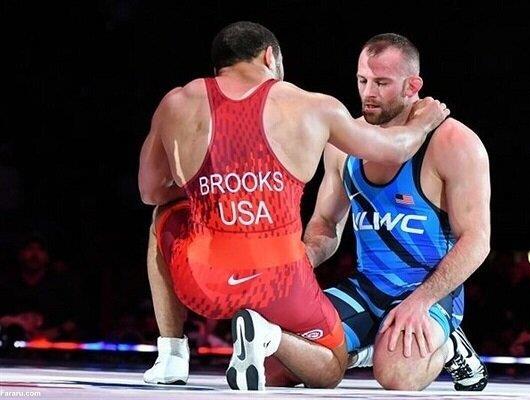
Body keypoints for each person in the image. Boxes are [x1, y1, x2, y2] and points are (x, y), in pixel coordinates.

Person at [137, 22, 449, 390]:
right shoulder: (312, 105)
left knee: (164, 216)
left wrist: (212, 188)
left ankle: (172, 354)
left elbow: (151, 192)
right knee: (331, 365)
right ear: (270, 57)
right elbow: (395, 149)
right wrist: (424, 122)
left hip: (206, 285)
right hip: (281, 281)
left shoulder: (176, 104)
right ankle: (268, 334)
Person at [303, 33, 491, 391]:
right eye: (362, 80)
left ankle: (450, 345)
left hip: (428, 289)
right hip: (367, 288)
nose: (368, 93)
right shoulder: (345, 141)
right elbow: (325, 222)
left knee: (396, 375)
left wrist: (422, 301)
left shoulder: (453, 142)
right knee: (282, 362)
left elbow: (477, 240)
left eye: (381, 83)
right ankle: (363, 349)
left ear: (412, 86)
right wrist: (301, 262)